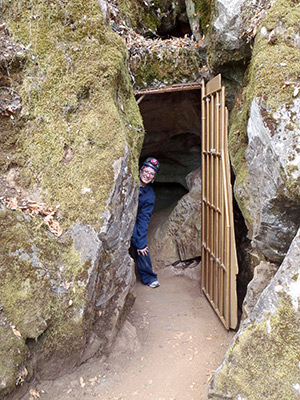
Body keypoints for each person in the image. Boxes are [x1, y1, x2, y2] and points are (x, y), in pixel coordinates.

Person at [131, 157, 160, 288]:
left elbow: (144, 218)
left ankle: (149, 277)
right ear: (141, 170)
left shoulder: (149, 195)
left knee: (140, 243)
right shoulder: (130, 181)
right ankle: (148, 277)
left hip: (134, 220)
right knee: (138, 240)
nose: (148, 175)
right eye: (146, 171)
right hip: (123, 218)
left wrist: (142, 244)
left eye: (152, 174)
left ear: (154, 178)